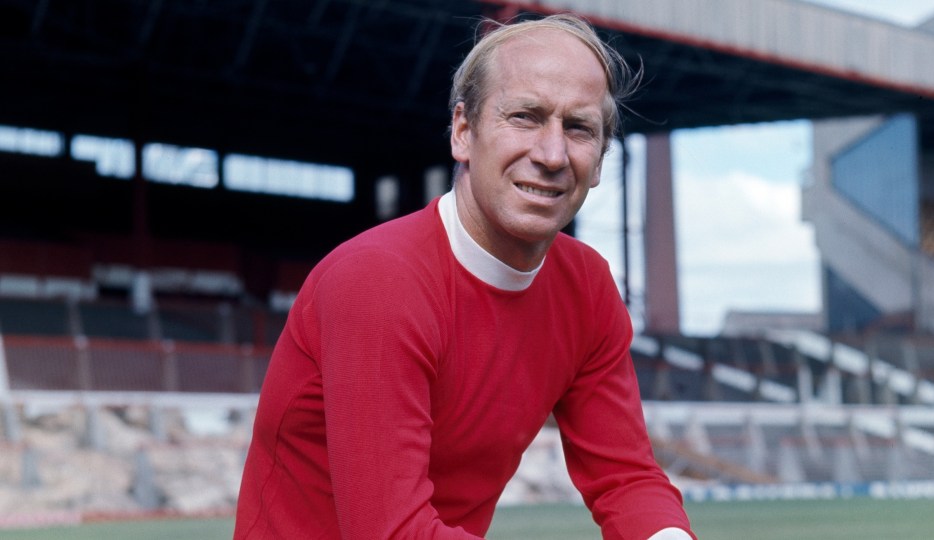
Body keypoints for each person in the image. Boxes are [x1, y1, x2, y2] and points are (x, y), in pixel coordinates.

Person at [234, 13, 696, 540]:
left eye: (578, 128)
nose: (551, 154)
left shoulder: (586, 287)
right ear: (462, 132)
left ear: (600, 159)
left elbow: (626, 479)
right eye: (524, 116)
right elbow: (392, 531)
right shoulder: (377, 280)